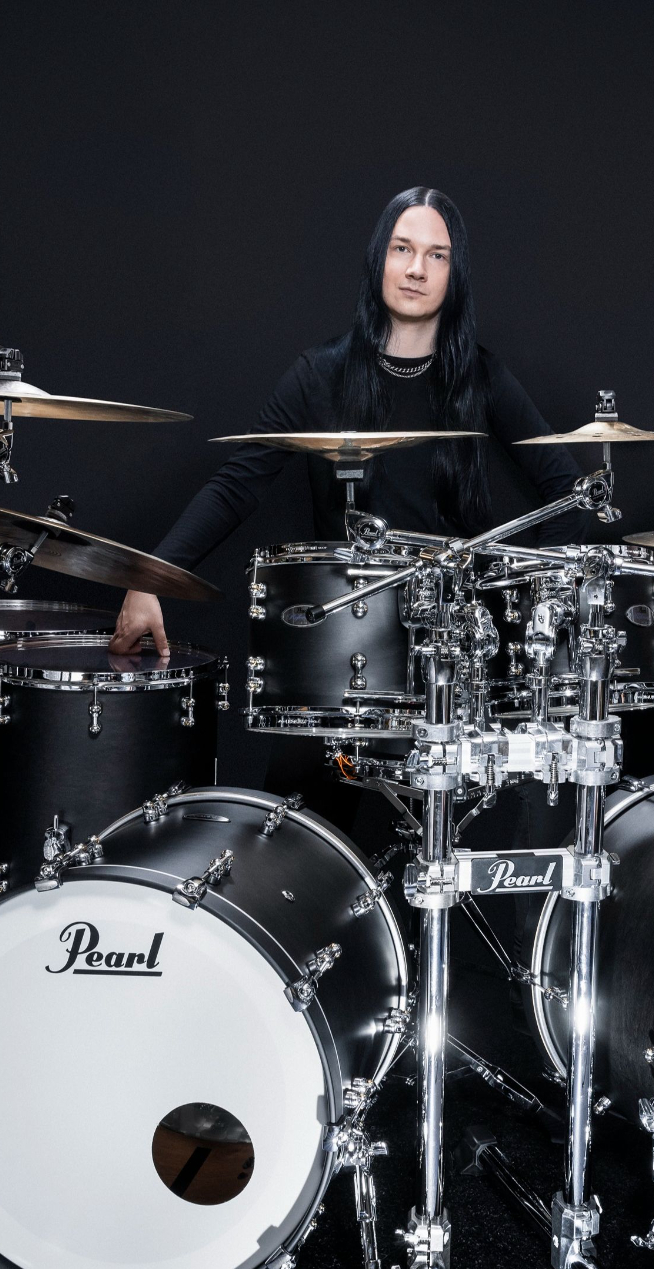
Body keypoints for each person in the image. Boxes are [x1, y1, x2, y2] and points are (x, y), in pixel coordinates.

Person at [111, 186, 586, 829]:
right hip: (340, 654)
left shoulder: (481, 378)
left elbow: (569, 493)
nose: (416, 269)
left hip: (448, 657)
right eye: (402, 249)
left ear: (456, 274)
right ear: (378, 258)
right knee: (298, 842)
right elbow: (238, 483)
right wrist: (151, 578)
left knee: (448, 846)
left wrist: (524, 595)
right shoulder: (321, 373)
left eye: (437, 255)